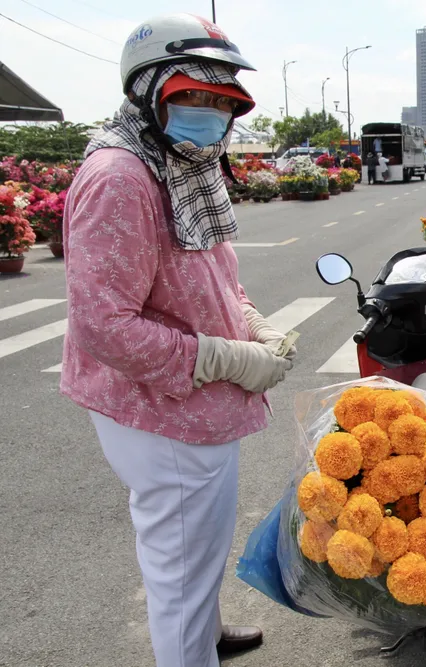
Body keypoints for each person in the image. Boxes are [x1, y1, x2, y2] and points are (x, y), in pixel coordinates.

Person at [60, 13, 295, 667]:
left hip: (196, 403)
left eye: (223, 100)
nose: (211, 111)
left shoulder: (183, 162)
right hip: (167, 414)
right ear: (150, 92)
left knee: (196, 550)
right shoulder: (121, 178)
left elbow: (212, 277)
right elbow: (103, 325)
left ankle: (206, 631)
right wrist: (219, 356)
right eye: (194, 94)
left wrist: (250, 322)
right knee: (180, 572)